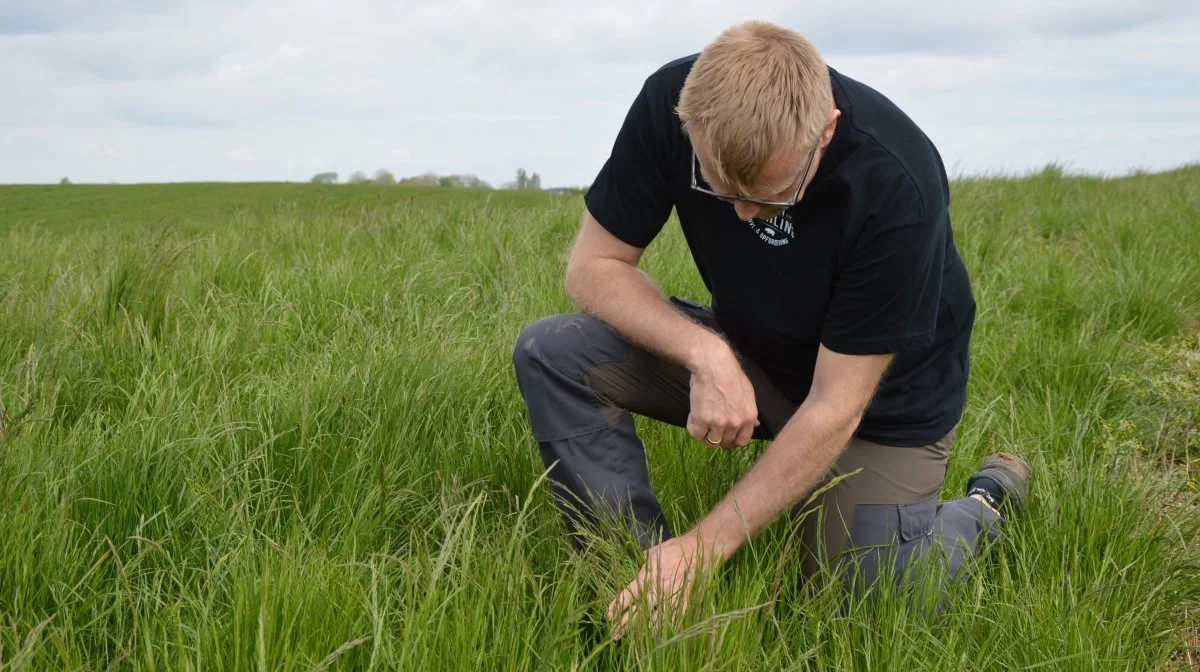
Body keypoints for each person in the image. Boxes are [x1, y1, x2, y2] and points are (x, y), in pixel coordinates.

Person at [511, 20, 1030, 635]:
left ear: (826, 131)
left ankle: (983, 508)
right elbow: (592, 269)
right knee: (552, 351)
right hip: (753, 352)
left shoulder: (898, 182)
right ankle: (639, 589)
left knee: (865, 611)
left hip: (880, 406)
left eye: (772, 193)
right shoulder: (669, 103)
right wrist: (706, 353)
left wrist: (707, 545)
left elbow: (837, 405)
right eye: (717, 186)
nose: (745, 214)